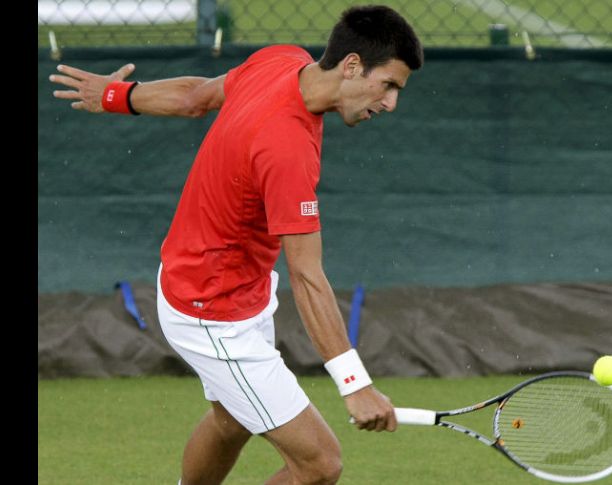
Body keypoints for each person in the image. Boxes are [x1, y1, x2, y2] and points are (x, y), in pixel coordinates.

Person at [50, 5, 423, 485]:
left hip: (217, 285)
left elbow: (196, 98)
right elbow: (307, 278)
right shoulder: (286, 149)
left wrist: (120, 95)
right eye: (388, 85)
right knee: (319, 465)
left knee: (230, 421)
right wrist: (356, 385)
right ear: (351, 66)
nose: (390, 103)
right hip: (212, 311)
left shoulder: (280, 61)